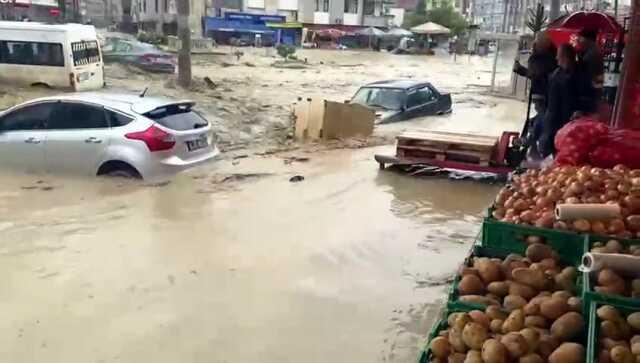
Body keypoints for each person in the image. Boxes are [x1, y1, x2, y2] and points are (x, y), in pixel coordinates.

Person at [513, 32, 557, 158]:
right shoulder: (551, 56)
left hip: (542, 93)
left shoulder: (540, 58)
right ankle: (531, 143)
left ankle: (529, 140)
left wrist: (521, 70)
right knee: (542, 117)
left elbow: (536, 74)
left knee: (542, 118)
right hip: (545, 94)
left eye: (536, 43)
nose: (534, 44)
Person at [539, 43, 579, 158]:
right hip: (553, 113)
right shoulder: (557, 73)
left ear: (565, 57)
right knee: (551, 143)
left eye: (559, 55)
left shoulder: (574, 75)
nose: (556, 58)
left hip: (565, 116)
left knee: (561, 144)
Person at [575, 28, 604, 114]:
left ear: (588, 39)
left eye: (580, 38)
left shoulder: (592, 54)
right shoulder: (592, 51)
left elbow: (585, 73)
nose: (578, 40)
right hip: (593, 93)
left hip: (589, 94)